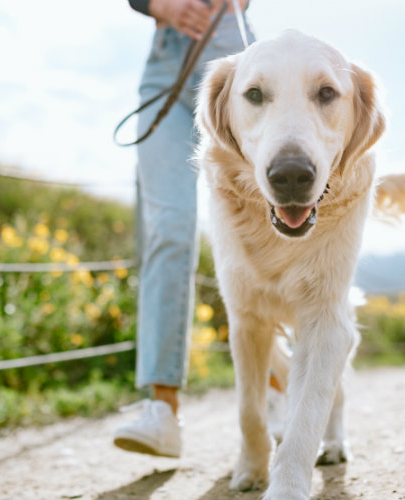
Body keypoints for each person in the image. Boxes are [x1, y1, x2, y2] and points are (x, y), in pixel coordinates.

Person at [113, 0, 254, 458]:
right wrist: (159, 4)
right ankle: (162, 410)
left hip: (231, 47)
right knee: (169, 226)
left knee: (256, 219)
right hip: (166, 58)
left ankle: (276, 381)